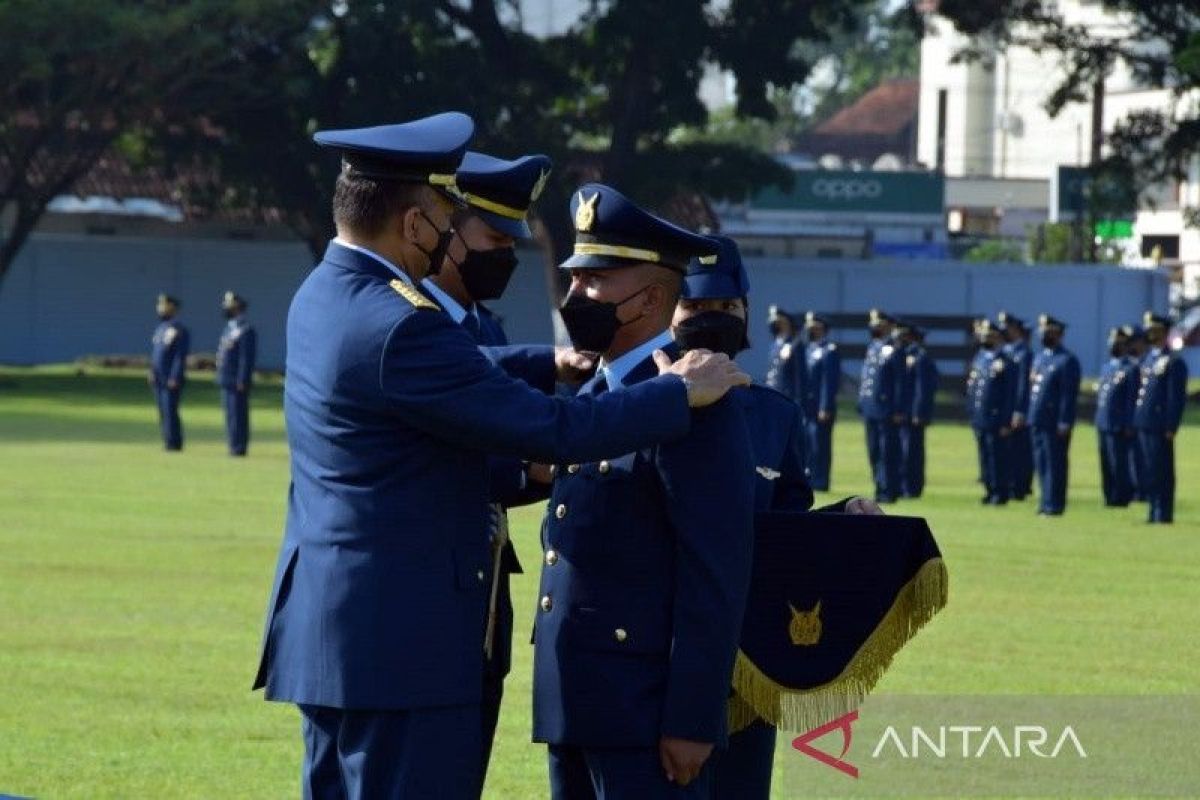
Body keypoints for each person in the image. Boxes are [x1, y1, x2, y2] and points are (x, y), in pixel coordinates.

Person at [251, 113, 749, 800]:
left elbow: (445, 380)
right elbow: (553, 431)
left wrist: (547, 361)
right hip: (403, 652)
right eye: (446, 216)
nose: (451, 232)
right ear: (416, 222)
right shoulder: (401, 324)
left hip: (341, 640)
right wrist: (675, 395)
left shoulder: (326, 296)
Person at [533, 185, 756, 800]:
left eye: (594, 281)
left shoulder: (698, 403)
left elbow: (714, 569)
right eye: (574, 279)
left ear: (652, 298)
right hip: (576, 701)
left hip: (645, 713)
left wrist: (692, 718)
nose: (575, 294)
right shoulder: (593, 397)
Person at [671, 234, 880, 800]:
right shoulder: (637, 406)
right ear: (669, 312)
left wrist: (843, 519)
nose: (709, 320)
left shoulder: (774, 417)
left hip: (747, 660)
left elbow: (786, 535)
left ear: (745, 315)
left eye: (724, 309)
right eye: (695, 308)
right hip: (654, 655)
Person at [420, 149, 554, 781]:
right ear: (448, 228)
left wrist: (534, 477)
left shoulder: (488, 328)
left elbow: (498, 459)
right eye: (493, 237)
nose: (504, 255)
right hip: (424, 593)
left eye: (511, 241)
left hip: (487, 590)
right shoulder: (409, 324)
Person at [1134, 312, 1188, 523]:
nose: (1150, 334)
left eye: (1153, 330)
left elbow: (1175, 398)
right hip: (1144, 422)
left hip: (1159, 424)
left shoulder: (1173, 361)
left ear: (1163, 332)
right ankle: (1152, 510)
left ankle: (1163, 513)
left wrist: (1171, 426)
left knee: (1162, 470)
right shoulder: (1149, 358)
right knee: (1148, 469)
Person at [1028, 314, 1081, 516]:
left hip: (1054, 421)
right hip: (1038, 418)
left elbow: (1068, 395)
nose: (1043, 336)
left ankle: (1055, 504)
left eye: (1048, 333)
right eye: (1042, 332)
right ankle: (1045, 501)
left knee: (1055, 464)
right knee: (1041, 463)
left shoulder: (1067, 360)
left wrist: (1064, 420)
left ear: (1058, 335)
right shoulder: (1041, 358)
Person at [857, 309, 905, 503]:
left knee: (887, 451)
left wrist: (899, 409)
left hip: (887, 409)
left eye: (879, 323)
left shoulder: (895, 348)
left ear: (888, 326)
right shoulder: (873, 347)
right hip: (871, 408)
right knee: (874, 450)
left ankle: (889, 489)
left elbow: (901, 383)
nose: (874, 326)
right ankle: (879, 485)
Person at [970, 320, 1015, 505]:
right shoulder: (980, 358)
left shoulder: (1005, 361)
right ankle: (989, 489)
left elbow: (1009, 394)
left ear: (997, 338)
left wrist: (1006, 421)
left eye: (989, 336)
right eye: (984, 335)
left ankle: (1000, 492)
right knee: (985, 456)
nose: (985, 339)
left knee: (998, 457)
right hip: (980, 417)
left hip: (996, 417)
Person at [1093, 326, 1137, 506]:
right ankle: (1109, 495)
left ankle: (1121, 497)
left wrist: (1128, 424)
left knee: (1118, 462)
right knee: (1105, 462)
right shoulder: (1107, 368)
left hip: (1118, 423)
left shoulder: (1130, 369)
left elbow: (1131, 399)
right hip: (1103, 421)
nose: (1113, 346)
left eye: (1117, 343)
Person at [898, 323, 938, 498]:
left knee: (912, 452)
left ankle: (912, 487)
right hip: (904, 412)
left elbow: (922, 389)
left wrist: (918, 413)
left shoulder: (920, 357)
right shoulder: (904, 355)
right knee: (903, 451)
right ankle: (903, 484)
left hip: (913, 414)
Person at [215, 291, 257, 456]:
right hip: (226, 378)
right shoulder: (229, 328)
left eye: (230, 307)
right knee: (230, 415)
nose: (227, 310)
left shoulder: (246, 330)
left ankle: (239, 446)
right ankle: (233, 444)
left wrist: (242, 378)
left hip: (237, 380)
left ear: (238, 308)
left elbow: (245, 358)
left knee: (239, 415)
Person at [997, 311, 1034, 500]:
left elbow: (1022, 385)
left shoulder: (1024, 354)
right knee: (1008, 451)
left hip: (1018, 410)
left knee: (1020, 451)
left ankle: (1020, 486)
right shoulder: (1006, 352)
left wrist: (1019, 410)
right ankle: (1010, 483)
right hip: (1005, 409)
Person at [803, 311, 840, 491]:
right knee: (808, 443)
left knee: (820, 444)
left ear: (821, 328)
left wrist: (825, 406)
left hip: (820, 407)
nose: (809, 330)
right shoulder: (809, 349)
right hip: (808, 406)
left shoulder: (829, 350)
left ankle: (821, 480)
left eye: (813, 327)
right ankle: (810, 477)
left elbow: (829, 381)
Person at [148, 293, 189, 451]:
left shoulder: (179, 330)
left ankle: (174, 442)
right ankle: (166, 440)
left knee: (171, 411)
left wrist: (175, 376)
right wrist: (152, 371)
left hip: (170, 377)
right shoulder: (160, 329)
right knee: (162, 412)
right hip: (158, 377)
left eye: (163, 306)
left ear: (172, 308)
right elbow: (156, 354)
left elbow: (180, 356)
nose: (160, 309)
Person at [1124, 326, 1150, 500]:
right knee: (1133, 457)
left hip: (1147, 418)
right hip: (1131, 418)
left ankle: (1144, 491)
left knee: (1145, 457)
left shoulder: (1148, 363)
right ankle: (1136, 489)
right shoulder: (1130, 364)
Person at [765, 305, 805, 403]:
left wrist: (798, 399)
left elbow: (799, 374)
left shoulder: (794, 344)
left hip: (787, 394)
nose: (777, 325)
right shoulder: (775, 343)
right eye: (775, 323)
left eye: (780, 322)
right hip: (772, 391)